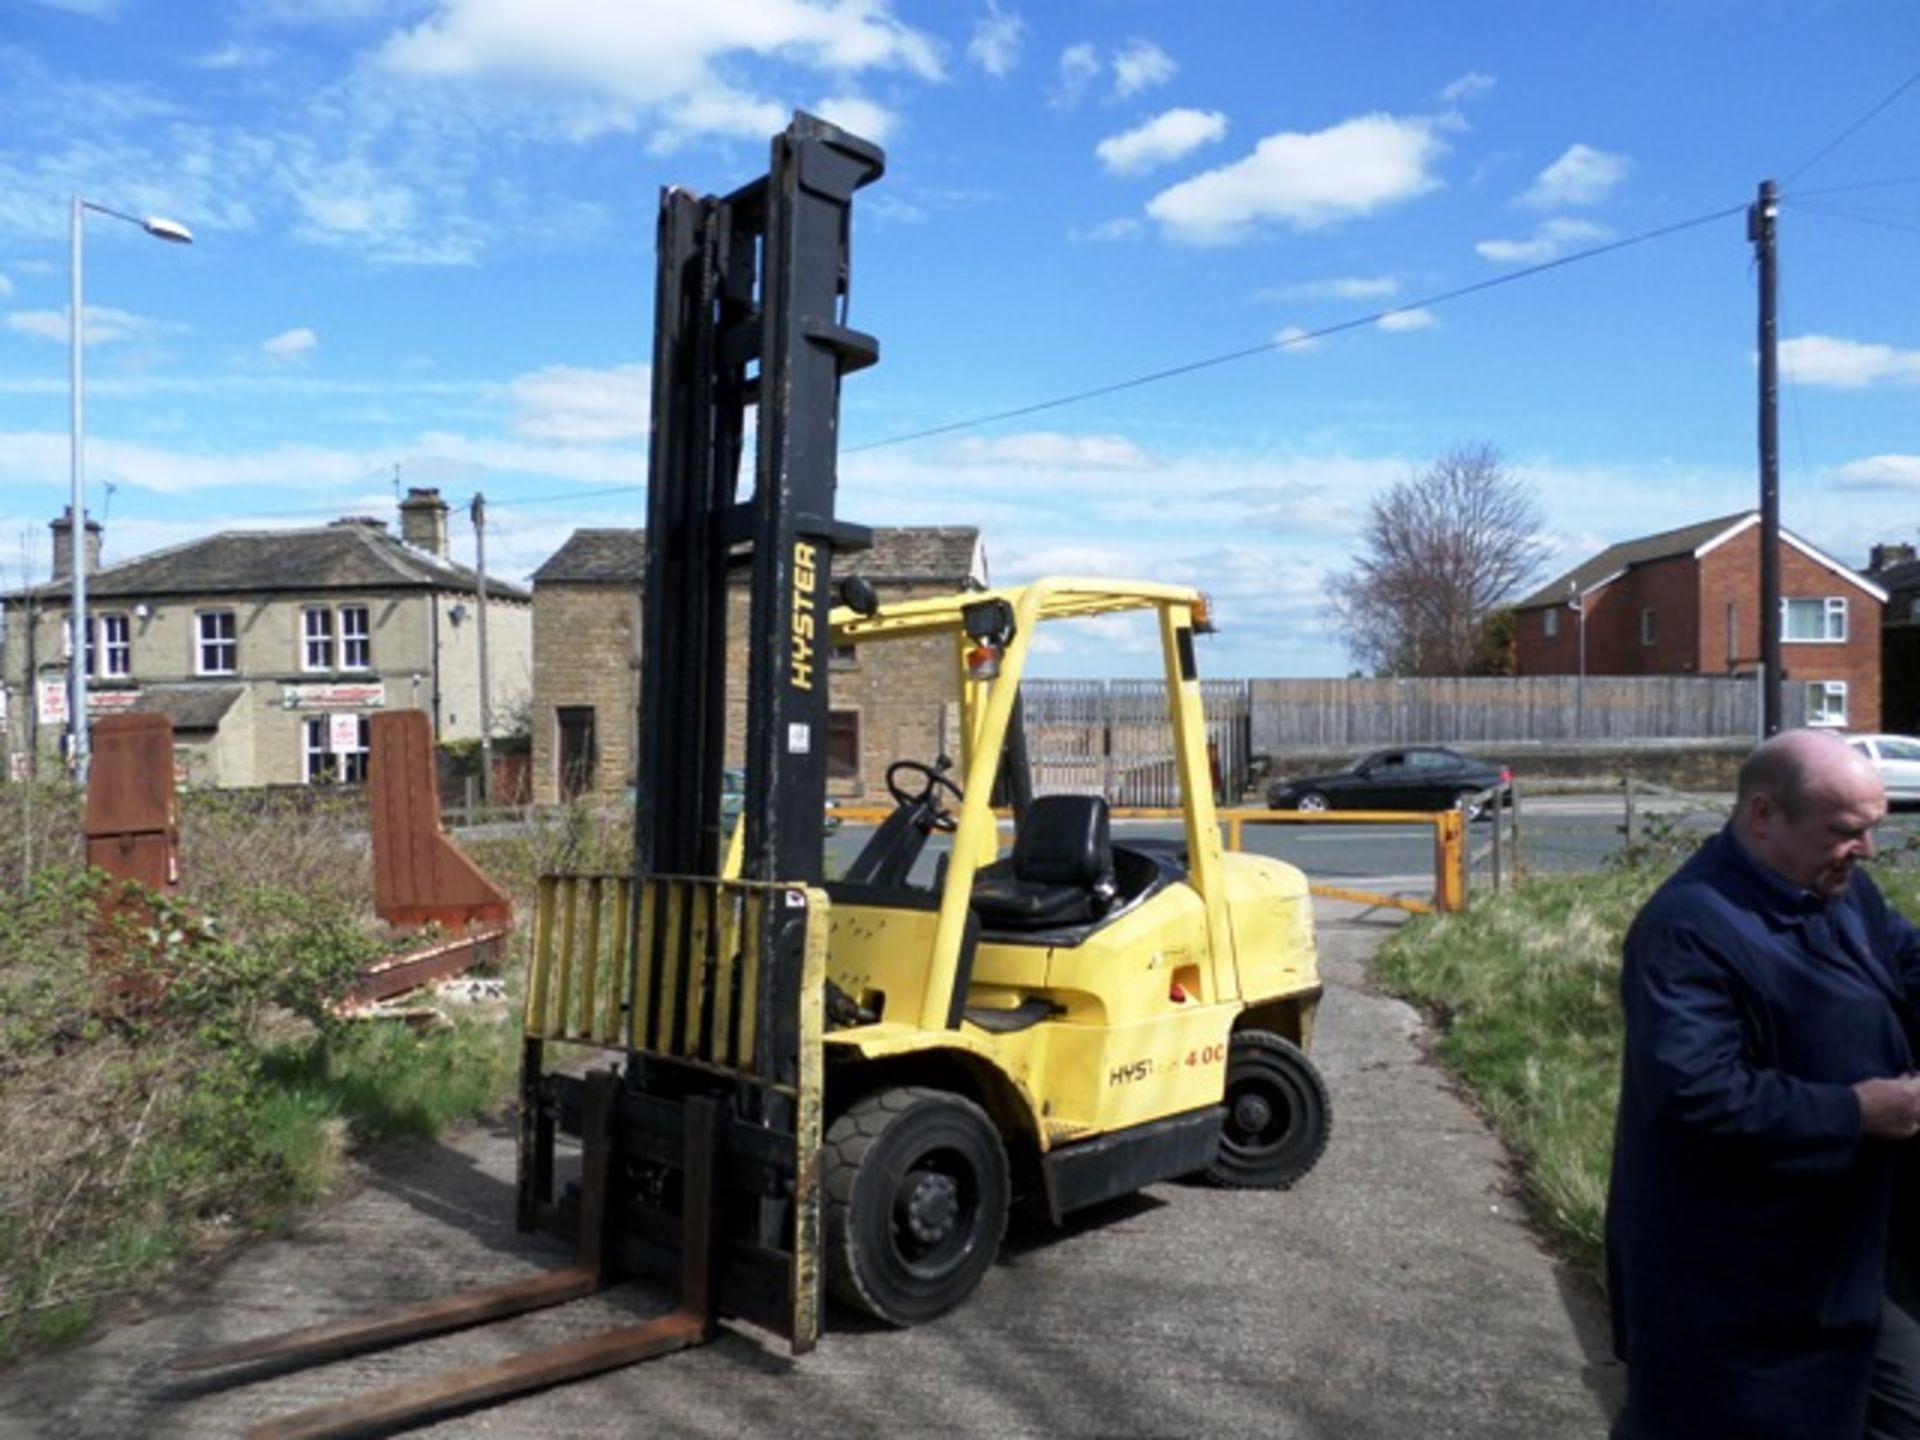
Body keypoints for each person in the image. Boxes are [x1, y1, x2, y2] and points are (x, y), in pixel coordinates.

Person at [1606, 727, 1920, 1439]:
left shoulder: (1834, 886)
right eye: (1847, 831)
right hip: (1743, 1275)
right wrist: (1857, 1111)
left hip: (1849, 1245)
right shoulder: (1687, 929)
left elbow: (1904, 960)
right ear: (1763, 815)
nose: (1866, 850)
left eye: (1872, 830)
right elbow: (1698, 1095)